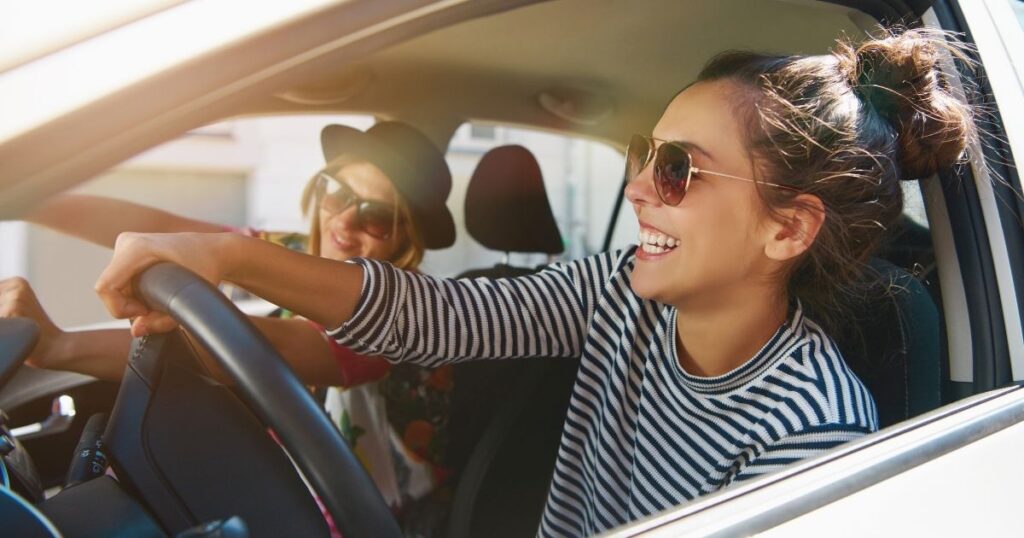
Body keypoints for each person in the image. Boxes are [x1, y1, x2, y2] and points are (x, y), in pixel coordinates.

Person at [90, 28, 977, 537]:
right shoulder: (618, 289)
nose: (637, 188)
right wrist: (227, 257)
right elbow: (436, 318)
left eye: (678, 169)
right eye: (642, 155)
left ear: (786, 228)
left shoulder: (812, 430)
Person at [0, 121, 460, 531]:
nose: (342, 221)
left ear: (405, 238)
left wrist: (60, 344)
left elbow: (263, 346)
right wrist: (32, 199)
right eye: (336, 192)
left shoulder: (404, 314)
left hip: (368, 516)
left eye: (375, 216)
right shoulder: (298, 250)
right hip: (292, 482)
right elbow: (164, 231)